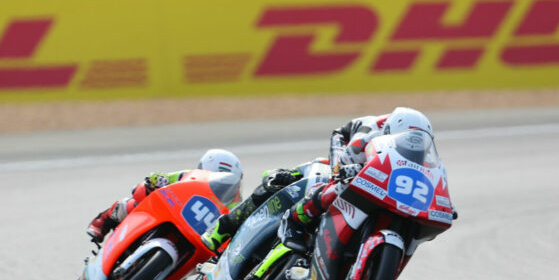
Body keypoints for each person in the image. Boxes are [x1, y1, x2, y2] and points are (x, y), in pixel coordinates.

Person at [281, 107, 437, 249]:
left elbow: (431, 179)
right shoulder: (365, 139)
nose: (412, 151)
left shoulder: (424, 154)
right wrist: (348, 170)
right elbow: (342, 169)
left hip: (382, 156)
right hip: (346, 145)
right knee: (340, 182)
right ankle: (294, 219)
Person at [86, 148, 243, 244]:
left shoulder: (235, 203)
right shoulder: (190, 176)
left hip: (197, 235)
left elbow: (235, 225)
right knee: (140, 196)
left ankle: (158, 275)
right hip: (171, 213)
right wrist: (156, 180)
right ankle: (103, 219)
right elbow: (163, 179)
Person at [199, 158, 330, 251]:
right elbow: (271, 174)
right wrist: (278, 176)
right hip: (301, 207)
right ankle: (225, 226)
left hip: (326, 225)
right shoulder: (324, 165)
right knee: (271, 189)